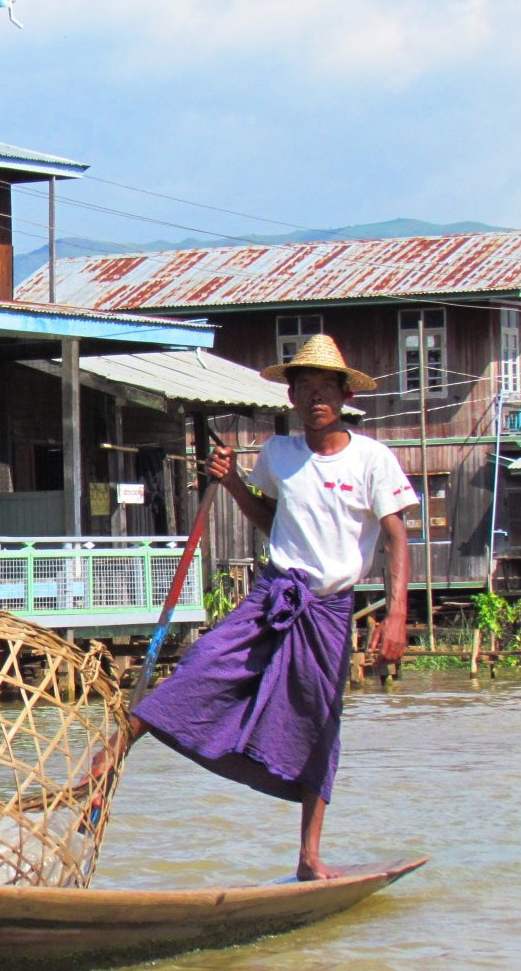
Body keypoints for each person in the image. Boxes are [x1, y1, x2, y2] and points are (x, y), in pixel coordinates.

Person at [129, 334, 418, 880]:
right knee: (200, 664)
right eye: (303, 389)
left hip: (328, 610)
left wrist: (396, 614)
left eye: (324, 389)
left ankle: (309, 855)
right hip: (273, 594)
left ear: (343, 395)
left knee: (319, 721)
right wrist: (233, 481)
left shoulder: (373, 459)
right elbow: (271, 521)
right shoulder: (279, 454)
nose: (314, 399)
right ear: (291, 398)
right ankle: (110, 759)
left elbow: (397, 538)